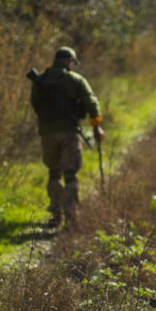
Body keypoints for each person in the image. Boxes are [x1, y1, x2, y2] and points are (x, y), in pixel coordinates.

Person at [29, 46, 105, 231]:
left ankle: (56, 215)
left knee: (54, 173)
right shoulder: (75, 80)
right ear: (70, 61)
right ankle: (71, 217)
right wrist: (96, 126)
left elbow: (35, 103)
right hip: (69, 132)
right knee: (70, 175)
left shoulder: (42, 80)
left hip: (47, 133)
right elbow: (91, 102)